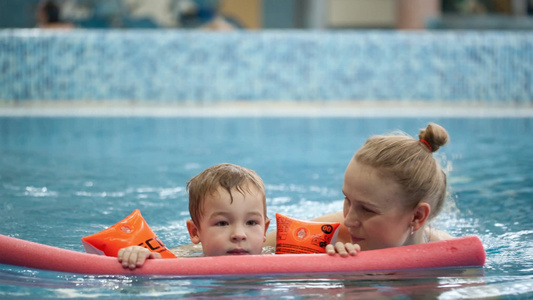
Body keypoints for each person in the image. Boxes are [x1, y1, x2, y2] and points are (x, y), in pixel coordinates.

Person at [264, 122, 453, 256]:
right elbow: (254, 252)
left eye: (366, 209)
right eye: (347, 200)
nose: (349, 219)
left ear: (417, 216)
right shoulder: (329, 233)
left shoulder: (448, 253)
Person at [118, 163, 270, 269]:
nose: (239, 235)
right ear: (195, 232)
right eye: (222, 223)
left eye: (251, 222)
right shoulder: (184, 261)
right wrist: (141, 257)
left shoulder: (275, 256)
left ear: (264, 230)